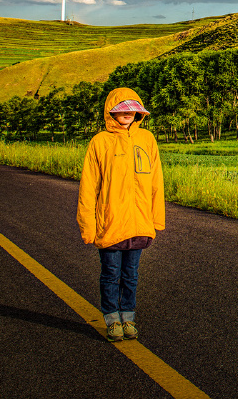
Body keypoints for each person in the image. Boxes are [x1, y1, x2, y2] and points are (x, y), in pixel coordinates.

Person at [77, 87, 165, 342]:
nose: (127, 114)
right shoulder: (100, 142)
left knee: (131, 275)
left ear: (139, 113)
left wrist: (156, 219)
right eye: (122, 110)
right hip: (111, 222)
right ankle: (112, 320)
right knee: (110, 274)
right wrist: (88, 226)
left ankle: (128, 318)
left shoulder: (147, 139)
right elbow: (88, 187)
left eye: (132, 109)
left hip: (139, 223)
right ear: (111, 112)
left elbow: (156, 182)